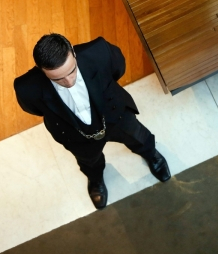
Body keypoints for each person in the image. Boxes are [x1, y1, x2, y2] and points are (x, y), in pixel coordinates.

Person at [14, 34, 171, 209]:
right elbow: (35, 109)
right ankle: (95, 180)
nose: (69, 81)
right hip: (73, 132)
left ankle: (151, 155)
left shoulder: (99, 51)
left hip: (113, 113)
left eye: (72, 71)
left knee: (138, 135)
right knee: (88, 160)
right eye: (57, 79)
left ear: (73, 53)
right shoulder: (26, 87)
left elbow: (118, 69)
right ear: (41, 70)